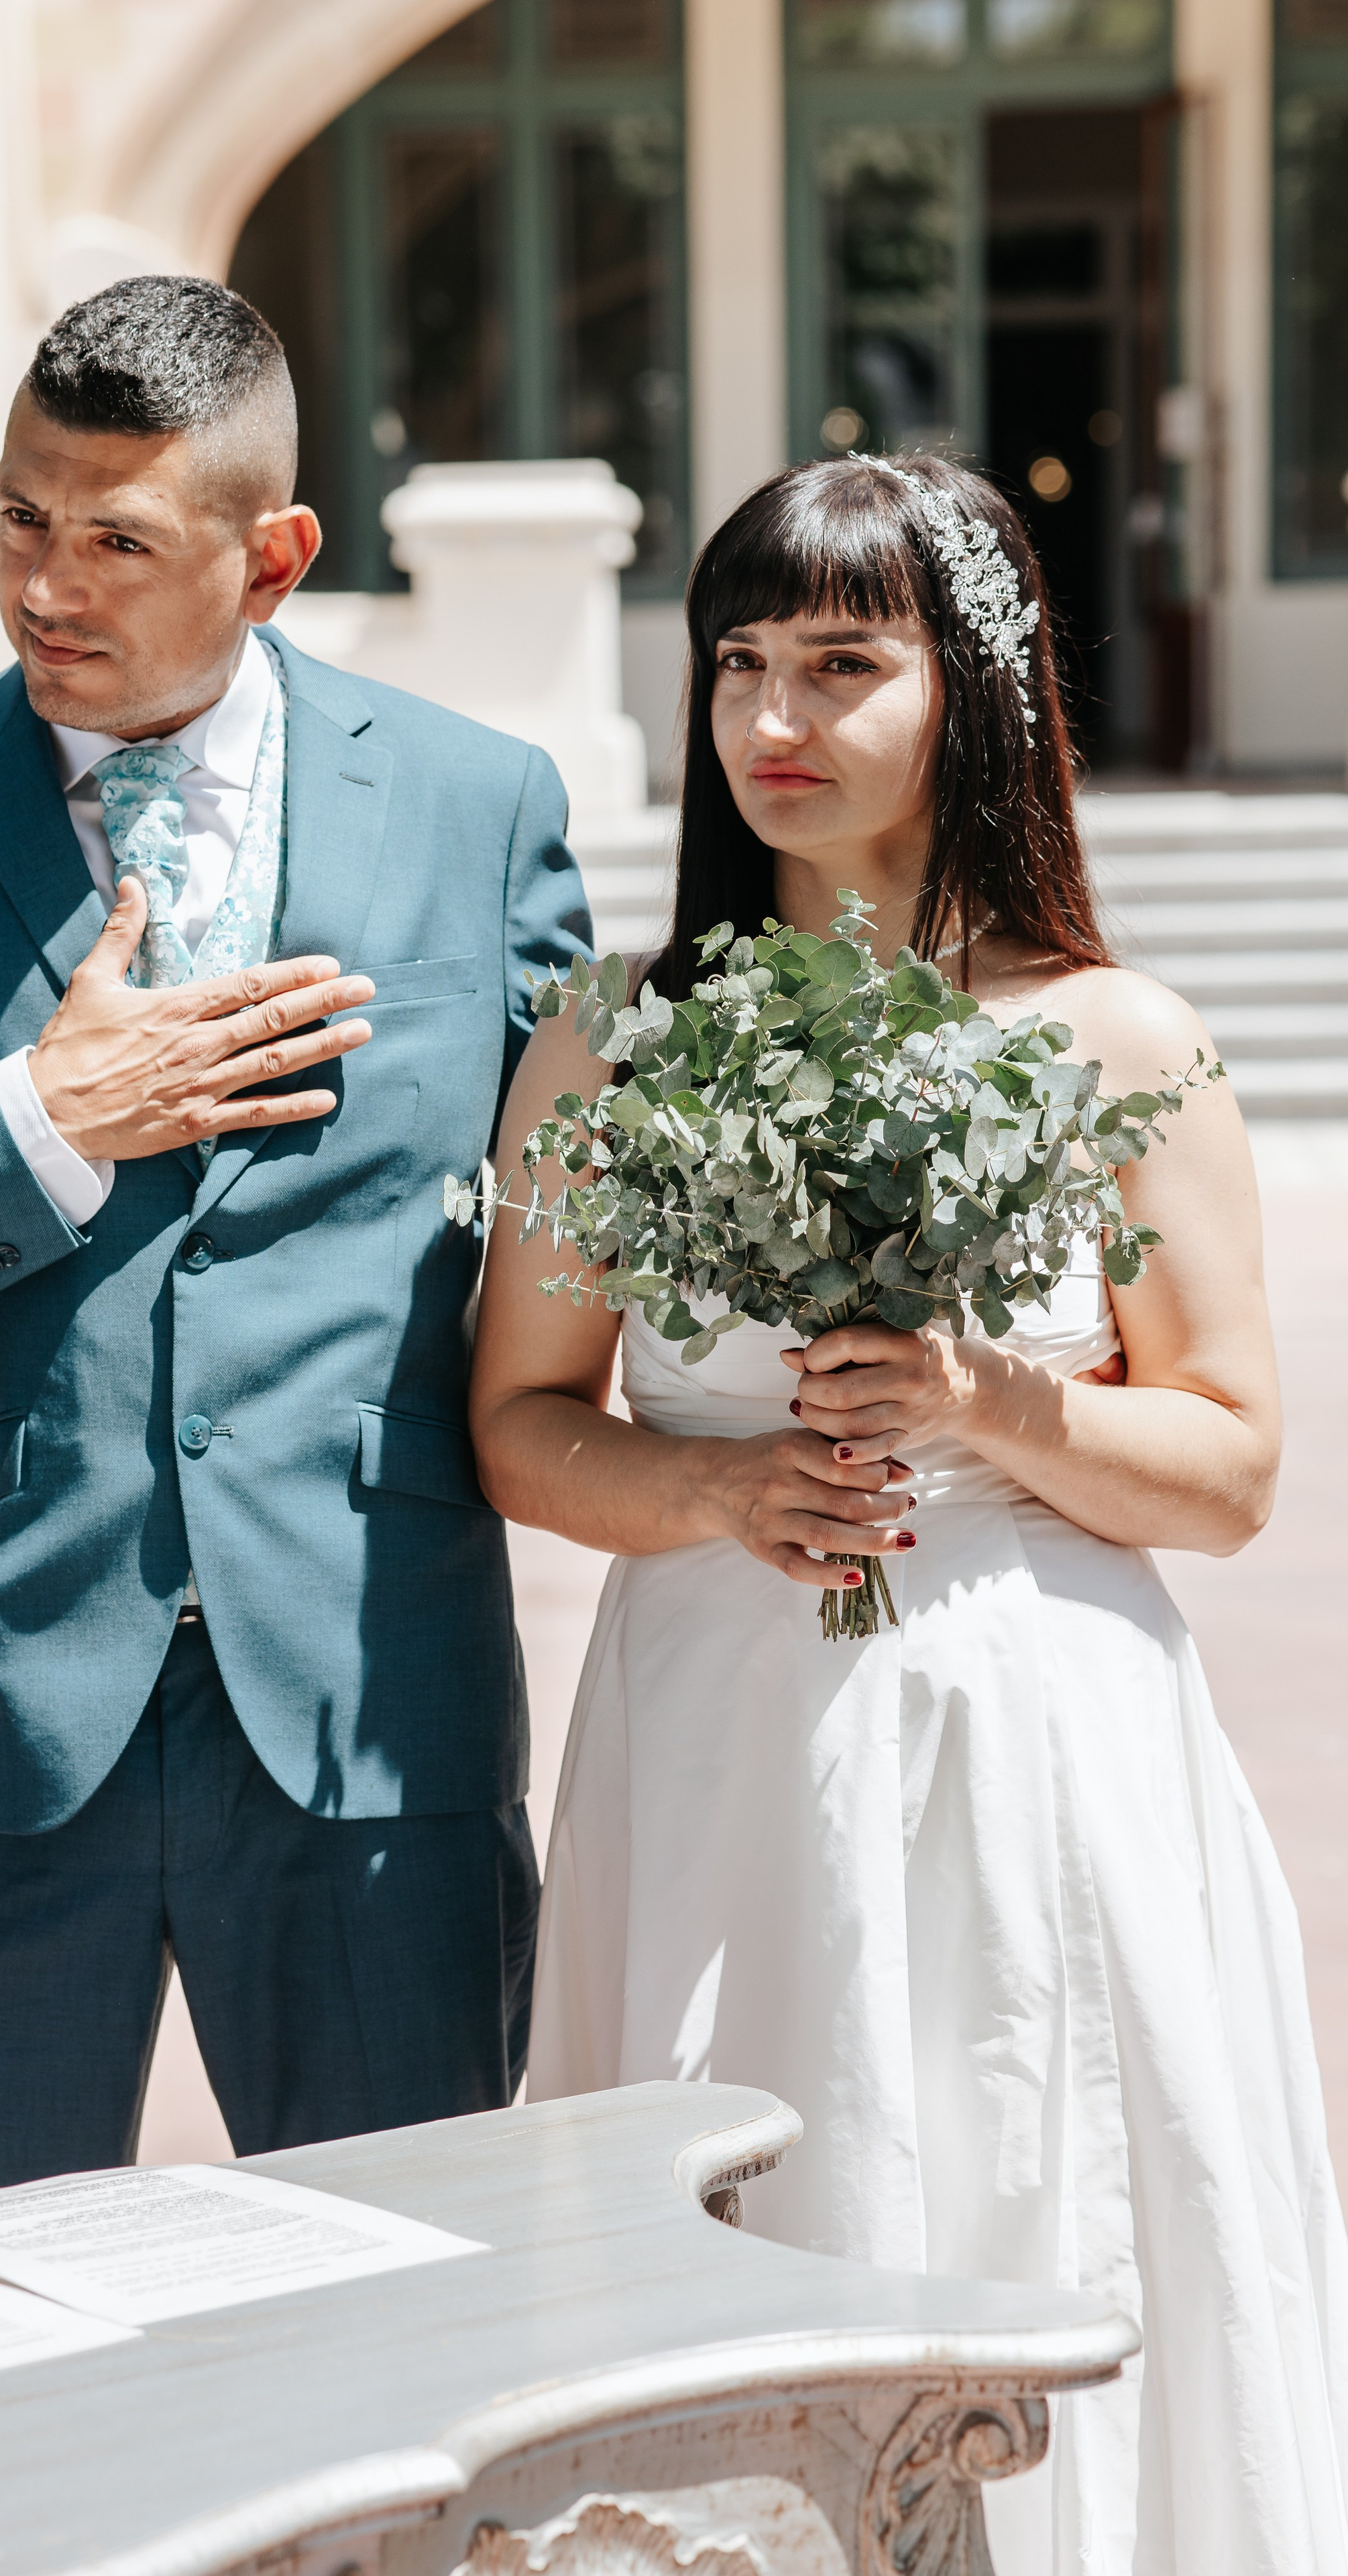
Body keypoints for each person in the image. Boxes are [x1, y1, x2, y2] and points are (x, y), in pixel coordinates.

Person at [469, 454, 1348, 2571]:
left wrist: (976, 1392)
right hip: (715, 1737)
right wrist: (707, 1480)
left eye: (843, 664)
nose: (774, 717)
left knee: (1040, 2193)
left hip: (1038, 1742)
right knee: (736, 2228)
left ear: (974, 687)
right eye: (740, 662)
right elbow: (519, 1416)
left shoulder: (1112, 1039)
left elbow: (1231, 1465)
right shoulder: (614, 1037)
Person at [0, 275, 587, 2206]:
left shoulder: (479, 812)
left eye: (114, 540)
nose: (45, 587)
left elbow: (587, 1238)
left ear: (274, 559)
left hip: (370, 1721)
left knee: (412, 2345)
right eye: (21, 517)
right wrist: (27, 1131)